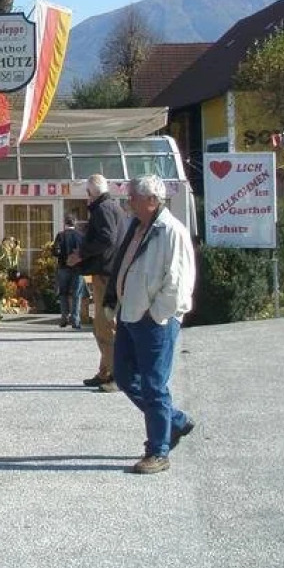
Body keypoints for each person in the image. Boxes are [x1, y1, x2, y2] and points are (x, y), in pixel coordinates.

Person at [105, 175, 196, 475]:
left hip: (154, 321)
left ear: (152, 201)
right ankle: (175, 421)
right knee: (124, 375)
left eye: (133, 196)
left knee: (154, 386)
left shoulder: (171, 231)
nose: (127, 201)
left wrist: (155, 314)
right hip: (130, 316)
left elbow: (179, 284)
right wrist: (114, 302)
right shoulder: (137, 226)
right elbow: (123, 266)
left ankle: (158, 451)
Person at [67, 174, 125, 392]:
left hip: (105, 274)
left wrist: (80, 254)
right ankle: (105, 372)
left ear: (91, 193)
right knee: (106, 323)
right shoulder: (113, 207)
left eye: (87, 194)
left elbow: (107, 238)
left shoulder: (102, 210)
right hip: (112, 272)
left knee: (103, 326)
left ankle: (116, 375)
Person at [52, 213, 85, 328]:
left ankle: (64, 317)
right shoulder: (80, 236)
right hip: (78, 268)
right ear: (75, 223)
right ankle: (75, 320)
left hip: (63, 267)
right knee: (77, 294)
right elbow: (85, 252)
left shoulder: (60, 236)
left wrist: (62, 255)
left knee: (63, 293)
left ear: (64, 223)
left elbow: (55, 251)